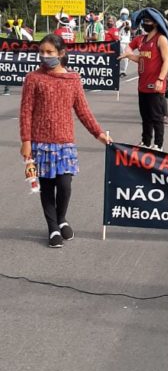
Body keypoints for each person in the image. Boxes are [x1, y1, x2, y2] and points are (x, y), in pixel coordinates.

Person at [19, 34, 110, 247]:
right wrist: (25, 141)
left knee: (65, 184)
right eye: (41, 52)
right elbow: (25, 113)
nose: (44, 56)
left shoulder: (73, 79)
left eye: (49, 52)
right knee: (47, 187)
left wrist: (99, 134)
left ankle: (62, 218)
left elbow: (83, 111)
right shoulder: (33, 78)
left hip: (65, 142)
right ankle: (52, 228)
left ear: (61, 54)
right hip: (40, 143)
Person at [121, 9, 168, 149]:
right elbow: (141, 58)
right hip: (142, 84)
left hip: (155, 84)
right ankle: (145, 141)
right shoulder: (142, 39)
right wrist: (128, 56)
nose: (145, 23)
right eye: (144, 21)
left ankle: (158, 144)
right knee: (145, 116)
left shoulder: (161, 39)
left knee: (156, 117)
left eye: (148, 21)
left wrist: (161, 79)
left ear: (156, 23)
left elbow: (166, 61)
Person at [116, 8, 132, 77]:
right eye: (123, 14)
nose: (124, 16)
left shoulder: (129, 22)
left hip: (127, 41)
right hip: (121, 41)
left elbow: (129, 29)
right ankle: (122, 71)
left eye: (125, 14)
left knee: (128, 56)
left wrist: (127, 25)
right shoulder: (118, 22)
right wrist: (122, 25)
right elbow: (116, 29)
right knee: (123, 56)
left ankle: (122, 69)